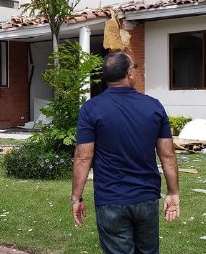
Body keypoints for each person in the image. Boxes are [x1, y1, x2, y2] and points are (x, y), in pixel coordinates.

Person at [71, 51, 179, 254]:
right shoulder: (153, 106)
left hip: (110, 200)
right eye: (135, 68)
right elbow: (167, 155)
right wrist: (173, 193)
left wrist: (76, 198)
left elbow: (83, 157)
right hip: (146, 199)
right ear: (129, 74)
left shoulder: (90, 108)